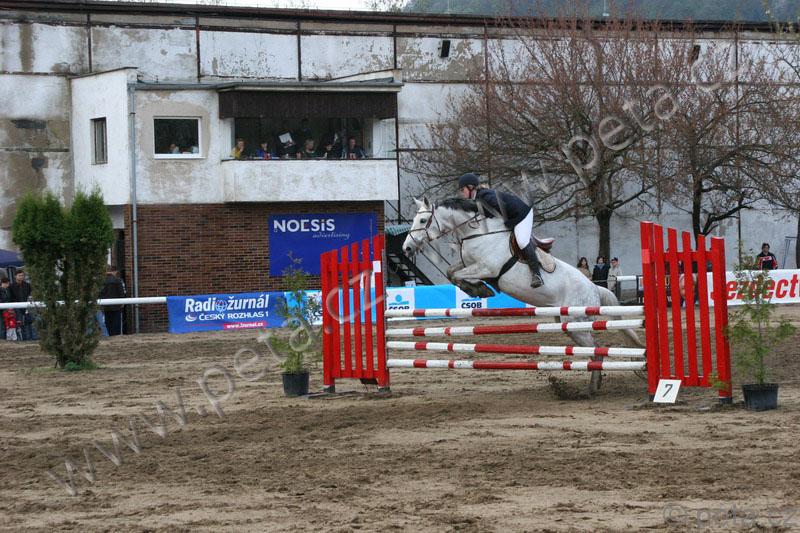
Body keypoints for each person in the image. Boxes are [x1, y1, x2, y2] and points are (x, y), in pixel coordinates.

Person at [458, 172, 544, 288]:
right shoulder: (477, 198)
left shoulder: (485, 196)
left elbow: (501, 207)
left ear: (470, 187)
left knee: (522, 241)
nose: (461, 193)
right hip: (510, 217)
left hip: (522, 214)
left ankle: (537, 274)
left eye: (462, 189)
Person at [100, 267, 126, 336]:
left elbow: (101, 293)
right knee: (116, 322)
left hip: (106, 305)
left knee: (108, 321)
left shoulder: (102, 281)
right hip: (116, 305)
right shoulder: (118, 280)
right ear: (114, 271)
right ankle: (116, 335)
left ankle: (109, 334)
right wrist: (122, 302)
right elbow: (121, 292)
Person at [10, 270, 33, 341]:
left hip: (27, 306)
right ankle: (22, 339)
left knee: (29, 321)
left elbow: (30, 294)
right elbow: (10, 297)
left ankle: (31, 338)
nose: (21, 277)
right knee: (19, 323)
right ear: (15, 276)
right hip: (16, 307)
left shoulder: (27, 285)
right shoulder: (11, 286)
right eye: (19, 275)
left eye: (22, 275)